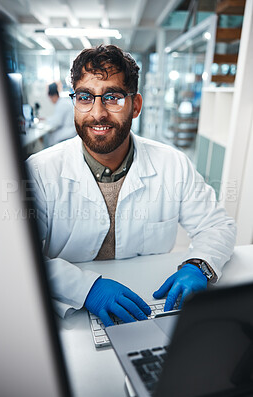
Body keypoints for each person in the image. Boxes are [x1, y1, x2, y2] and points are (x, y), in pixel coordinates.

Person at [27, 45, 236, 327]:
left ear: (135, 105)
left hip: (153, 306)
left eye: (112, 97)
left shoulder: (172, 164)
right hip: (70, 315)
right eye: (85, 97)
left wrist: (199, 265)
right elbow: (16, 257)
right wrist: (85, 289)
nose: (97, 113)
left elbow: (217, 226)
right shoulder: (39, 171)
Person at [46, 82, 76, 147]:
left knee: (49, 137)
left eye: (50, 98)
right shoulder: (63, 102)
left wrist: (46, 121)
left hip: (68, 133)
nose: (51, 101)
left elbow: (56, 122)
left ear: (52, 96)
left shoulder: (62, 104)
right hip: (71, 131)